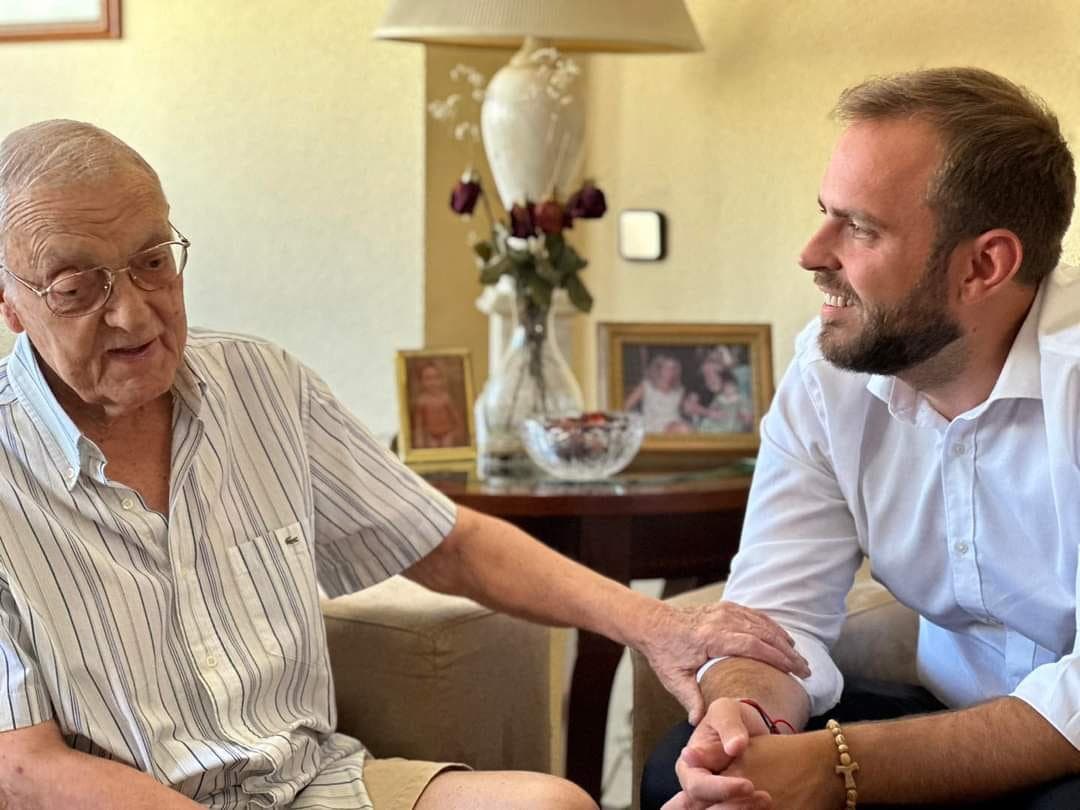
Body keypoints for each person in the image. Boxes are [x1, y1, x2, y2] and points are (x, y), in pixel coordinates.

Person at [0, 119, 809, 810]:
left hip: (313, 786)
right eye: (76, 287)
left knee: (555, 804)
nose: (133, 312)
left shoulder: (261, 384)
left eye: (153, 261)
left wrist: (658, 626)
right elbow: (25, 766)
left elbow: (446, 542)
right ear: (10, 303)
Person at [643, 66, 1080, 809]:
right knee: (688, 773)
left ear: (984, 265)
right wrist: (747, 718)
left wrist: (836, 768)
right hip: (948, 719)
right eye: (826, 214)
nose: (812, 253)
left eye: (860, 228)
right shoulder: (829, 374)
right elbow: (773, 616)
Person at [624, 352, 691, 433]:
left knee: (687, 428)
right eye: (666, 367)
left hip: (674, 424)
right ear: (659, 368)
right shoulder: (646, 386)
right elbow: (626, 406)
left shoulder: (679, 390)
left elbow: (685, 410)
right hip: (653, 427)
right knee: (684, 429)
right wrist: (632, 423)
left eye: (673, 368)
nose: (670, 371)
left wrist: (689, 408)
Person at [410, 360, 466, 448]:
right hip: (431, 434)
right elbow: (419, 423)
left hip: (447, 432)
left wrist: (459, 430)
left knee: (448, 448)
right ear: (421, 381)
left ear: (441, 379)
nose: (432, 382)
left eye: (436, 378)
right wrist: (418, 438)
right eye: (428, 378)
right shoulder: (422, 400)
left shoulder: (446, 398)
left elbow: (455, 416)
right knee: (433, 448)